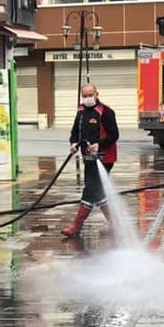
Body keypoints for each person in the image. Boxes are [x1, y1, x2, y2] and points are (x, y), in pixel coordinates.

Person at [61, 83, 120, 238]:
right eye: (85, 95)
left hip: (103, 158)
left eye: (90, 95)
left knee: (90, 190)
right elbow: (75, 131)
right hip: (88, 158)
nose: (88, 98)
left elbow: (114, 134)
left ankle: (76, 226)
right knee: (97, 191)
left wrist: (99, 144)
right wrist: (73, 143)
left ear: (96, 94)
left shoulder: (105, 112)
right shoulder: (80, 111)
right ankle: (114, 222)